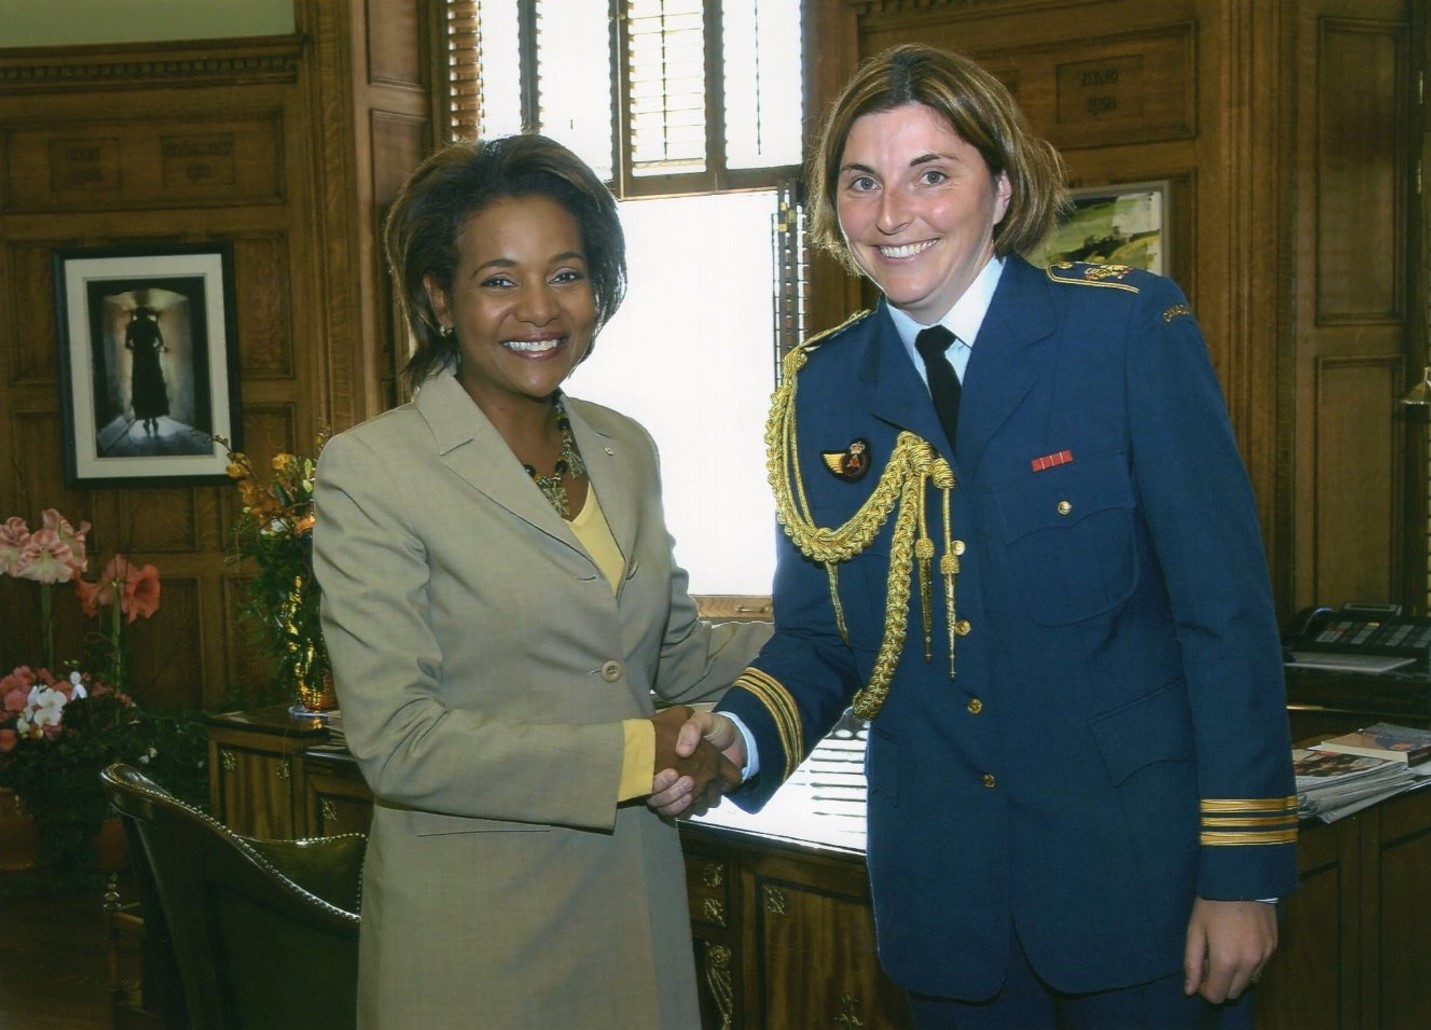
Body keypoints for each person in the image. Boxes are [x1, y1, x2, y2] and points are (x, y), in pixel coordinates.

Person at [654, 42, 1300, 1028]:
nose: (892, 213)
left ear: (999, 190)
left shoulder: (1122, 334)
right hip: (947, 908)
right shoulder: (823, 389)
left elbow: (1225, 621)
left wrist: (1241, 874)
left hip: (1144, 896)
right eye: (861, 182)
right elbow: (822, 636)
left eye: (931, 175)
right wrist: (732, 737)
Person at [312, 134, 770, 1029]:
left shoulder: (623, 447)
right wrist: (641, 753)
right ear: (439, 299)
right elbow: (399, 741)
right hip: (476, 940)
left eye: (565, 274)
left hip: (632, 913)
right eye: (498, 280)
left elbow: (679, 656)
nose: (538, 309)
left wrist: (855, 615)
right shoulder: (372, 468)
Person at [125, 304, 169, 434]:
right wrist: (154, 349)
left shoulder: (132, 326)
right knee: (154, 386)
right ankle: (154, 419)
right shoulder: (152, 324)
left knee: (141, 387)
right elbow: (160, 342)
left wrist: (136, 350)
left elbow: (127, 344)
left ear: (137, 315)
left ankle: (147, 420)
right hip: (150, 357)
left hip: (139, 358)